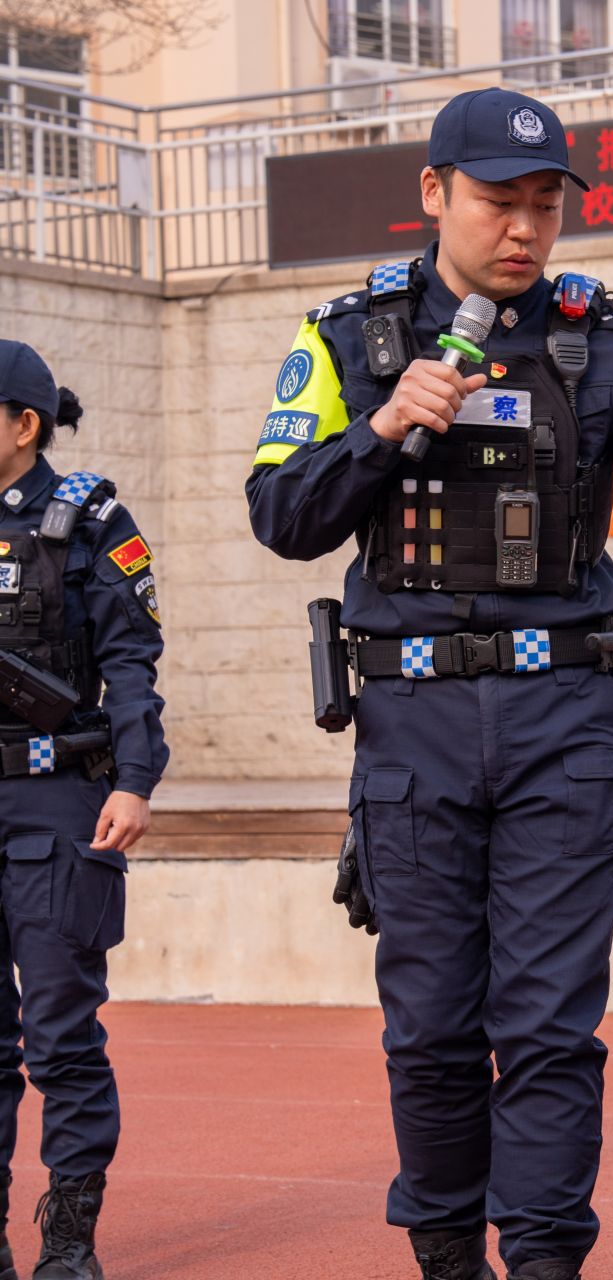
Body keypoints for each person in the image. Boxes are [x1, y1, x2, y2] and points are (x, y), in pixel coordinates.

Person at [244, 88, 613, 1280]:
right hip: (412, 724)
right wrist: (382, 428)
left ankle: (542, 1264)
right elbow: (280, 513)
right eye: (496, 201)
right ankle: (445, 1259)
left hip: (566, 725)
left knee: (547, 1031)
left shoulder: (605, 344)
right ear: (434, 193)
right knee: (430, 1031)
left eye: (544, 205)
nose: (523, 228)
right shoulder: (347, 340)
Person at [0, 340, 166, 1280]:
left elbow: (132, 663)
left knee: (61, 1034)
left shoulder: (90, 519)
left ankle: (68, 1241)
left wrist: (135, 780)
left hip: (58, 800)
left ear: (25, 425)